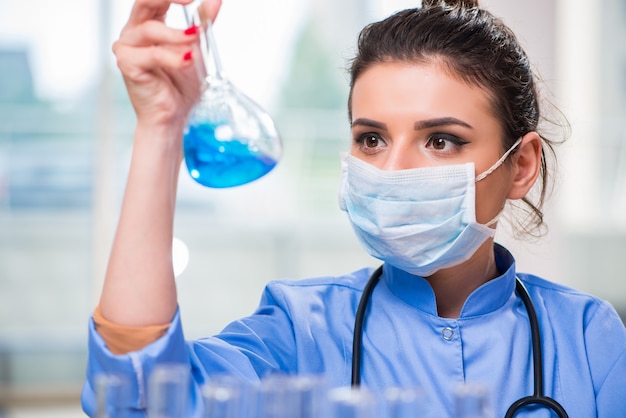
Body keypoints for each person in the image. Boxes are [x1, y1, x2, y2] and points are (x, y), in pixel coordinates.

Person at [81, 0, 626, 416]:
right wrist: (160, 127)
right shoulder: (301, 329)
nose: (391, 171)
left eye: (440, 140)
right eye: (371, 139)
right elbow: (139, 396)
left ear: (522, 166)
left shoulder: (587, 337)